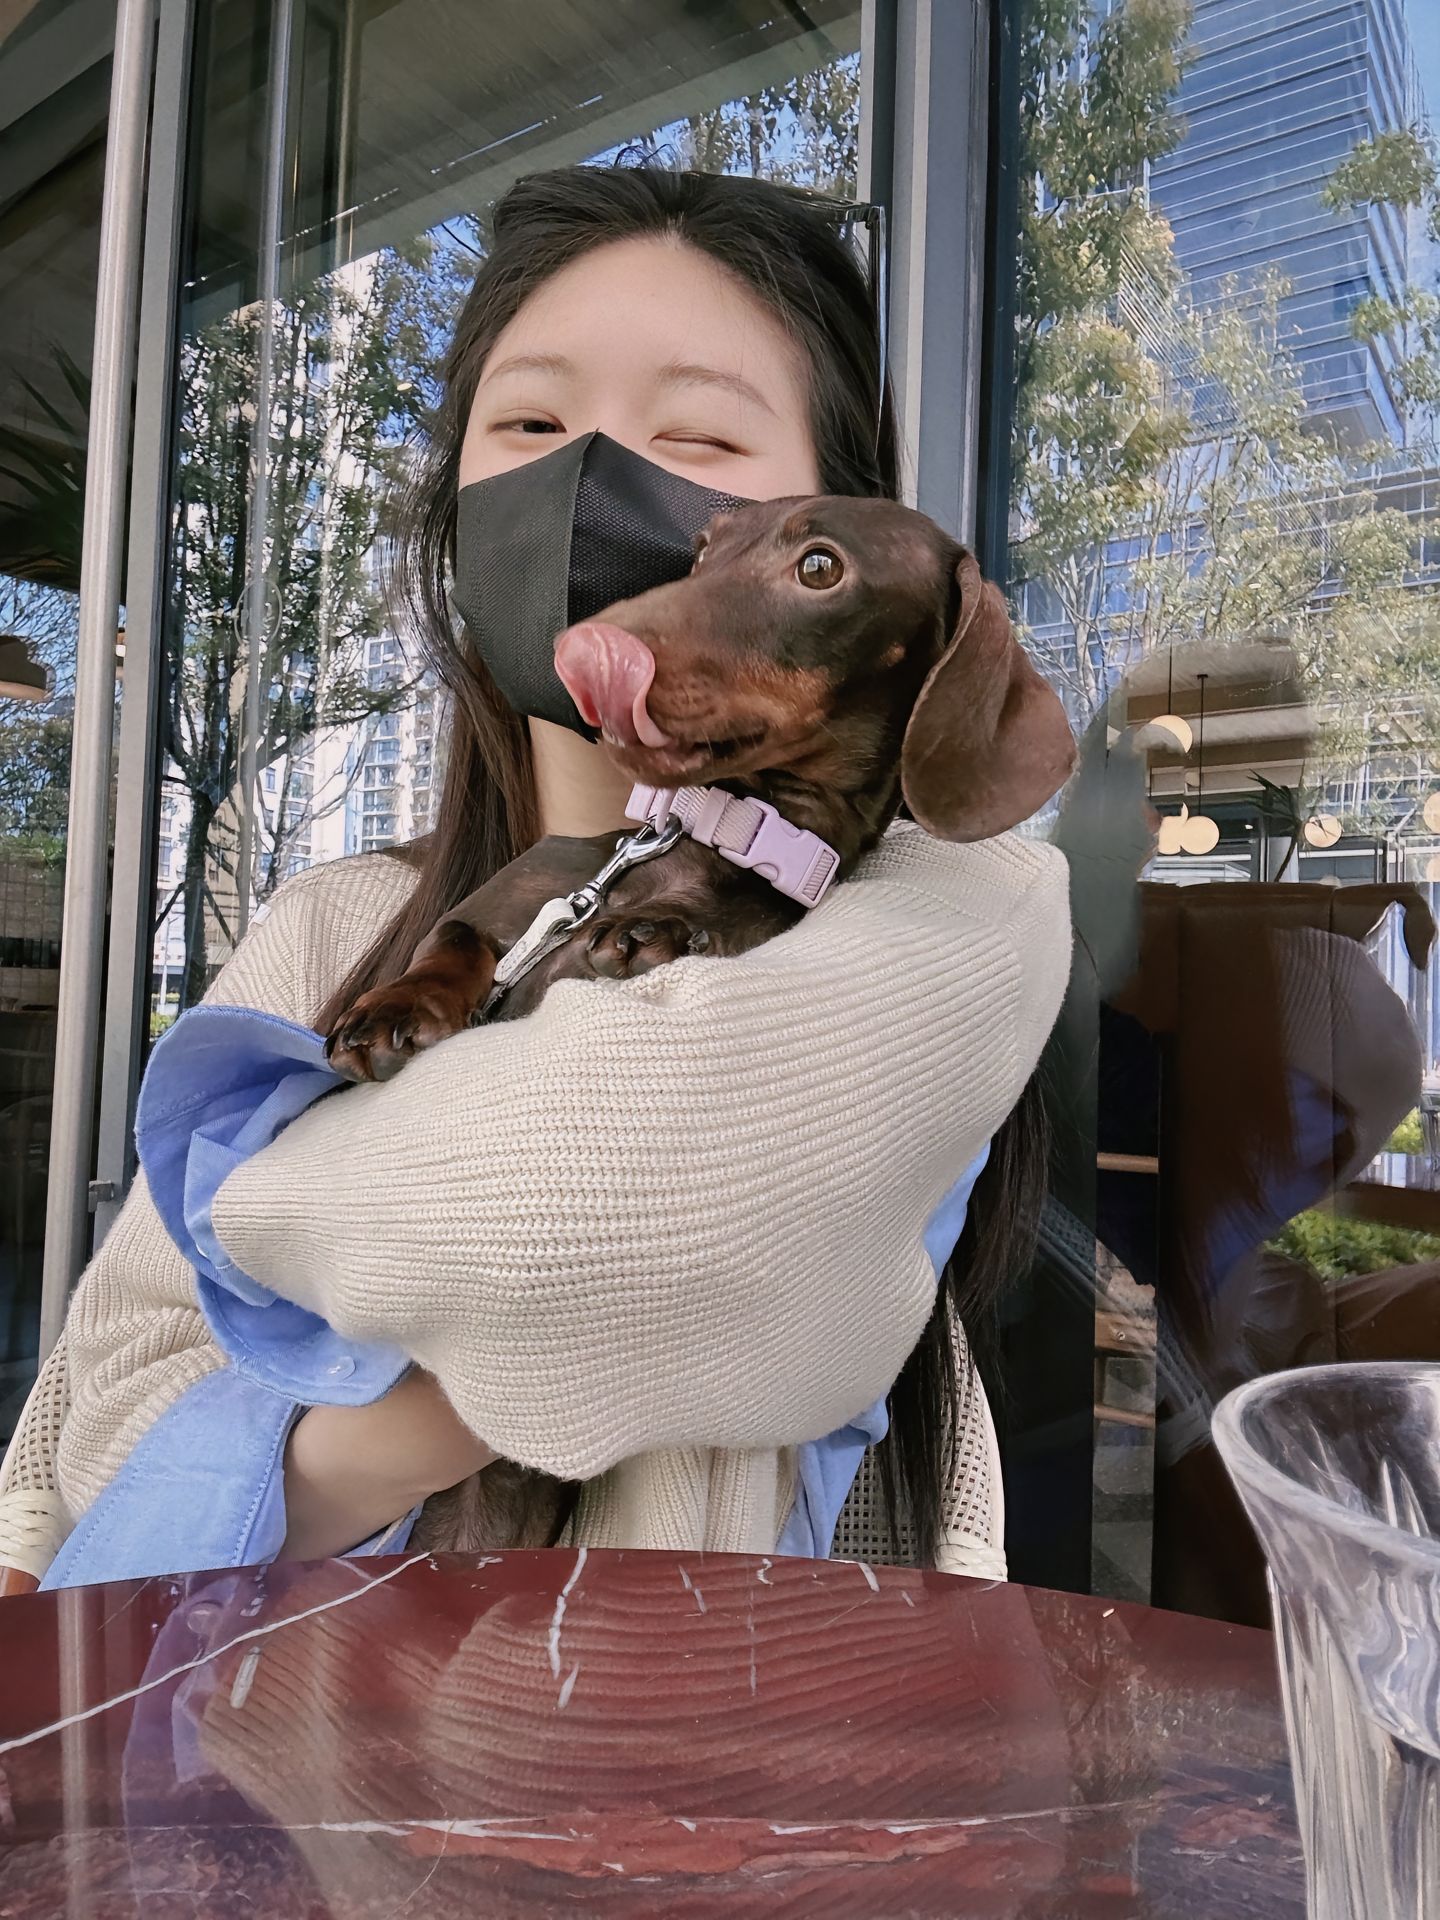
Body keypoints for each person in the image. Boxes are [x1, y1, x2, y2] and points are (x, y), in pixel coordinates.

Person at [0, 165, 1071, 1592]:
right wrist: (419, 1424)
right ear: (453, 498)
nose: (588, 479)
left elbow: (622, 1203)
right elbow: (94, 1425)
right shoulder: (328, 922)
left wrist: (274, 1191)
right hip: (296, 1765)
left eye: (694, 431)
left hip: (731, 1776)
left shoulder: (928, 913)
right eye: (529, 422)